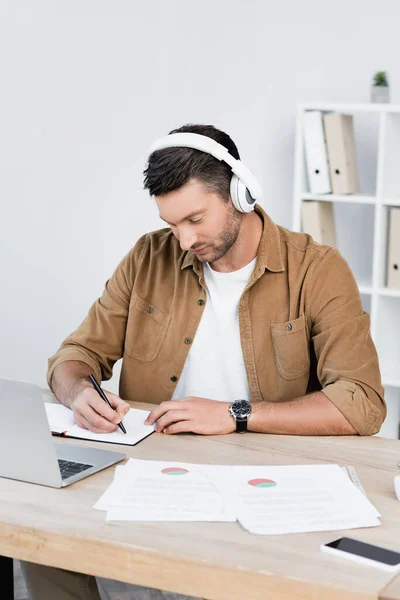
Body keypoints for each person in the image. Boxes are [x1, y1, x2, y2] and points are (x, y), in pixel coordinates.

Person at [22, 123, 385, 600]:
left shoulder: (316, 269)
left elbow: (360, 403)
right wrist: (80, 392)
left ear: (239, 191)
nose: (184, 239)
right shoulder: (149, 257)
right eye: (172, 224)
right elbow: (74, 356)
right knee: (38, 535)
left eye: (195, 218)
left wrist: (232, 413)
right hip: (155, 467)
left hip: (266, 477)